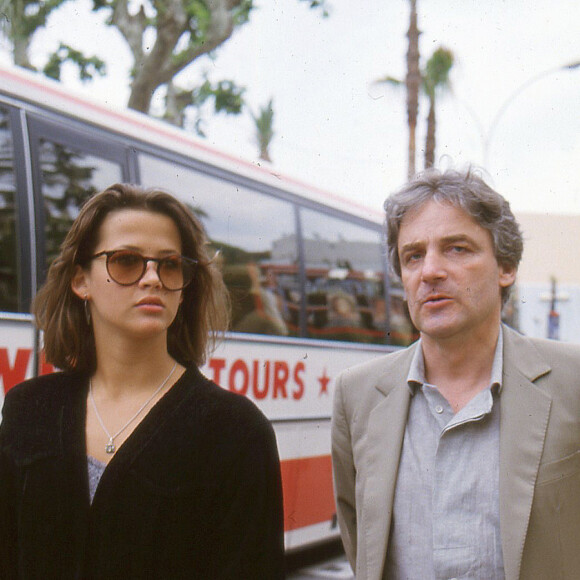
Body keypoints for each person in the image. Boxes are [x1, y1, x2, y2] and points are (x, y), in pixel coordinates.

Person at [0, 184, 285, 579]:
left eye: (169, 265)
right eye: (126, 260)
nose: (152, 278)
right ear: (81, 280)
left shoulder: (235, 429)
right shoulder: (27, 408)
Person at [331, 168, 580, 580]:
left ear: (506, 267)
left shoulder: (572, 382)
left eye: (457, 249)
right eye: (413, 256)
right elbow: (361, 542)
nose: (430, 271)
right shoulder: (357, 395)